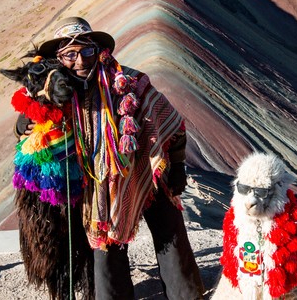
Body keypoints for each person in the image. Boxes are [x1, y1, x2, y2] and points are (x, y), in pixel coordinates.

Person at [25, 16, 204, 299]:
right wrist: (27, 122)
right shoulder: (54, 92)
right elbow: (29, 125)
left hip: (146, 171)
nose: (80, 60)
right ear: (59, 58)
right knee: (106, 244)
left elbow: (170, 121)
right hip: (96, 187)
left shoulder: (129, 82)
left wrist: (178, 166)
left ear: (98, 50)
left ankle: (185, 295)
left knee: (169, 230)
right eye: (70, 54)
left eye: (86, 51)